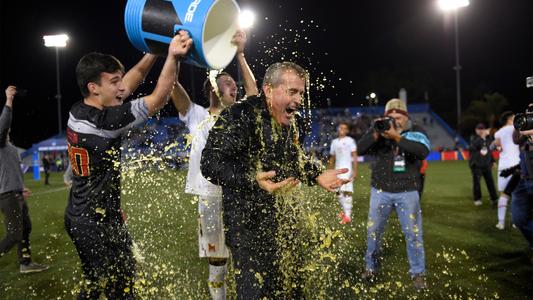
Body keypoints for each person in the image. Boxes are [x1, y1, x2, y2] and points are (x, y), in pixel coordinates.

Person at [200, 62, 350, 298]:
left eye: (301, 93)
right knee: (256, 292)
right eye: (292, 92)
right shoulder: (239, 115)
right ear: (268, 89)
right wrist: (252, 179)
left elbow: (292, 158)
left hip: (282, 218)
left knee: (292, 287)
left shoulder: (288, 121)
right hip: (246, 225)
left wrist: (316, 173)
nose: (299, 99)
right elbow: (209, 163)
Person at [64, 32, 192, 299]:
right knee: (121, 287)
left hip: (82, 215)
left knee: (94, 282)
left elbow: (131, 81)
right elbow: (158, 98)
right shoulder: (105, 123)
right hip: (96, 223)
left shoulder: (78, 110)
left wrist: (154, 51)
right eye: (113, 82)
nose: (121, 87)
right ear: (93, 87)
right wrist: (171, 56)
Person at [170, 29, 258, 300]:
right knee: (217, 261)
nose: (235, 86)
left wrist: (241, 53)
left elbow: (254, 94)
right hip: (209, 198)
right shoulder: (196, 115)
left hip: (241, 193)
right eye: (228, 81)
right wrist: (172, 55)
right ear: (211, 88)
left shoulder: (240, 113)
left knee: (247, 257)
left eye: (235, 82)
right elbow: (170, 86)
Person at [357, 99, 430, 290]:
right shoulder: (380, 134)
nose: (395, 121)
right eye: (391, 118)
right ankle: (371, 268)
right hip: (380, 190)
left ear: (406, 117)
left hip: (407, 191)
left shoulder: (417, 131)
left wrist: (397, 136)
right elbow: (359, 148)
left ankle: (418, 273)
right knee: (374, 232)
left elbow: (422, 151)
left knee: (413, 235)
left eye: (399, 117)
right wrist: (376, 132)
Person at [0, 86, 49, 273]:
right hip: (6, 195)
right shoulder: (1, 143)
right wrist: (9, 100)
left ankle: (26, 263)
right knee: (13, 235)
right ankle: (25, 263)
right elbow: (4, 123)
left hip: (16, 192)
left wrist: (21, 187)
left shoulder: (10, 147)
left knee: (25, 228)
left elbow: (12, 171)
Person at [511, 103, 533, 264]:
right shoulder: (525, 131)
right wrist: (524, 125)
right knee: (519, 218)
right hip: (524, 180)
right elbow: (516, 139)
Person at [493, 111, 521, 229]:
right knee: (517, 194)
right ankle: (516, 221)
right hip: (515, 165)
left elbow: (498, 147)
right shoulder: (516, 128)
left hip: (503, 166)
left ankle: (501, 222)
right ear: (510, 120)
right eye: (514, 118)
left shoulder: (498, 133)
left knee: (503, 195)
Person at [328, 121, 358, 224]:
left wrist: (355, 171)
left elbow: (354, 156)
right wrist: (330, 171)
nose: (342, 130)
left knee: (347, 191)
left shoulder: (350, 141)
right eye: (341, 128)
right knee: (338, 192)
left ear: (347, 130)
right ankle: (345, 212)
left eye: (344, 128)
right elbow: (332, 157)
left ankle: (348, 216)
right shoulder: (334, 142)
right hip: (337, 170)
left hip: (347, 170)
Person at [468, 123, 498, 206]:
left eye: (482, 129)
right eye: (478, 129)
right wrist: (482, 137)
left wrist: (493, 161)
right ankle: (477, 199)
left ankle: (494, 198)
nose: (480, 131)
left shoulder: (488, 139)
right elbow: (473, 147)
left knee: (490, 182)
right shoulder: (473, 138)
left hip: (486, 164)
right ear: (476, 130)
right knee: (477, 182)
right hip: (476, 165)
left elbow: (489, 151)